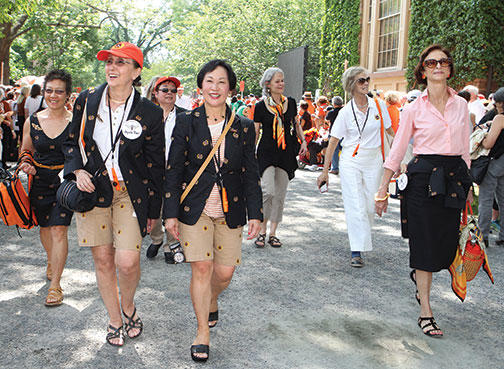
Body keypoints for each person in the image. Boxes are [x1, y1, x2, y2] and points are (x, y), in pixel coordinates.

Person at [63, 42, 164, 346]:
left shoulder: (149, 111)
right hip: (95, 191)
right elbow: (71, 143)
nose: (112, 67)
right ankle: (114, 318)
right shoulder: (87, 100)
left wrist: (153, 210)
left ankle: (129, 305)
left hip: (130, 195)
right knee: (104, 260)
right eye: (109, 61)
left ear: (136, 72)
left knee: (128, 262)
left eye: (121, 63)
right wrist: (77, 170)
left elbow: (156, 164)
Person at [163, 59, 262, 362]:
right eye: (209, 81)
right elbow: (174, 169)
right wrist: (169, 211)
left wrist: (255, 213)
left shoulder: (243, 127)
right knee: (202, 268)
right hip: (196, 207)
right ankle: (201, 331)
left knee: (224, 271)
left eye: (221, 82)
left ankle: (212, 299)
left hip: (230, 208)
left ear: (231, 88)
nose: (215, 87)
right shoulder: (186, 121)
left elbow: (250, 172)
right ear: (200, 86)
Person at [375, 44, 472, 338]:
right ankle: (426, 311)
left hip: (454, 179)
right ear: (423, 70)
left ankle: (420, 277)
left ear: (450, 68)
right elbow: (398, 150)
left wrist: (468, 188)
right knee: (424, 246)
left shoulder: (462, 105)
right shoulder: (414, 108)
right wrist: (383, 188)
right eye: (432, 63)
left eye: (443, 61)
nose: (438, 66)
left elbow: (466, 149)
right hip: (422, 181)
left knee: (444, 247)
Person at [317, 66, 394, 267]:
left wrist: (398, 159)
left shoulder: (379, 106)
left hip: (374, 160)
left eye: (367, 79)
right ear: (351, 84)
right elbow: (333, 142)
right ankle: (356, 250)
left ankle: (360, 241)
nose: (366, 83)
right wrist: (325, 172)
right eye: (361, 80)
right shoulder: (344, 113)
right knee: (355, 205)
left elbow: (390, 133)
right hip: (350, 161)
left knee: (369, 205)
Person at [18, 70, 74, 306]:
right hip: (39, 181)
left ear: (68, 95)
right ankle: (52, 259)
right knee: (45, 228)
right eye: (49, 90)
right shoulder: (33, 121)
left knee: (59, 229)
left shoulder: (76, 122)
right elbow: (25, 151)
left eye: (59, 91)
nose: (53, 95)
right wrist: (26, 164)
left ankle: (55, 286)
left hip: (65, 183)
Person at [253, 67, 308, 248]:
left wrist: (303, 142)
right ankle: (261, 231)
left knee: (280, 194)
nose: (282, 84)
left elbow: (296, 124)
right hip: (266, 151)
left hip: (285, 152)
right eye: (278, 81)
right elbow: (256, 131)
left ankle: (273, 233)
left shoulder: (290, 103)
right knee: (268, 191)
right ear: (268, 84)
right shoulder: (260, 106)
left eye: (283, 80)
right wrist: (250, 153)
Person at [145, 76, 186, 263]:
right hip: (152, 169)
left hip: (176, 169)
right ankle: (156, 239)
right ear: (155, 92)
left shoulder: (186, 117)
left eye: (173, 90)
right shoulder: (146, 115)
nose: (170, 93)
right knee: (154, 206)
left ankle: (171, 245)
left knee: (173, 207)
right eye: (165, 90)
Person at [477, 87, 504, 247]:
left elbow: (488, 143)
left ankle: (483, 234)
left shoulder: (500, 118)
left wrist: (482, 135)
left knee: (486, 198)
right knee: (503, 199)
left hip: (496, 161)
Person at [326, 96, 343, 174]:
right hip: (344, 133)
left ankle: (335, 168)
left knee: (334, 150)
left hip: (334, 133)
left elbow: (327, 119)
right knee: (344, 150)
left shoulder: (332, 112)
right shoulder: (345, 111)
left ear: (334, 104)